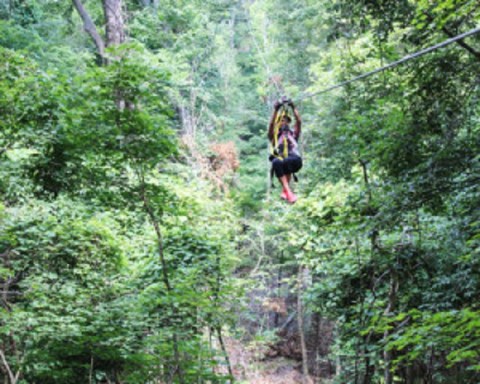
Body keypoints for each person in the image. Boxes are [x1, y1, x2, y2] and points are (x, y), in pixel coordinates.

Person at [268, 99, 302, 204]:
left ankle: (285, 191)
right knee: (276, 162)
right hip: (283, 160)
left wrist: (293, 107)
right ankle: (288, 192)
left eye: (286, 121)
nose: (284, 122)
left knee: (287, 161)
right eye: (281, 121)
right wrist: (276, 110)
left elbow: (299, 122)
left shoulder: (293, 134)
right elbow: (271, 125)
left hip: (294, 160)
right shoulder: (274, 136)